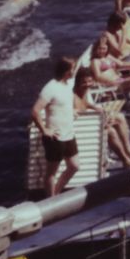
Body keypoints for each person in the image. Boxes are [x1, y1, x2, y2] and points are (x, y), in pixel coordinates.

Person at [34, 57, 82, 199]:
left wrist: (71, 110)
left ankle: (56, 193)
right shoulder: (50, 88)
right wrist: (44, 130)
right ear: (66, 71)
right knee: (51, 173)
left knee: (74, 166)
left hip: (69, 134)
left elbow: (65, 101)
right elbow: (35, 111)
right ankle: (51, 200)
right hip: (55, 137)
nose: (74, 71)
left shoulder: (68, 84)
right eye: (73, 69)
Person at [76, 69, 130, 166]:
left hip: (94, 119)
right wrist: (102, 121)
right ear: (77, 82)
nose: (88, 84)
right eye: (84, 82)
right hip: (86, 125)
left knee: (119, 118)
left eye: (90, 81)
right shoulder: (75, 95)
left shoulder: (84, 90)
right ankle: (126, 160)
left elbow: (85, 103)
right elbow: (81, 113)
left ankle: (128, 150)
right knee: (111, 132)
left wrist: (97, 109)